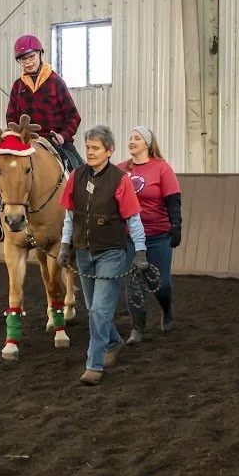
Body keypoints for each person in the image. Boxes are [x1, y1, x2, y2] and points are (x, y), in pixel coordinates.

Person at [57, 125, 148, 386]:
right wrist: (65, 246)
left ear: (110, 151)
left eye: (96, 148)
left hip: (111, 253)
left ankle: (94, 364)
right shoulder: (76, 177)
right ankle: (113, 342)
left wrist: (140, 251)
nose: (90, 152)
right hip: (84, 253)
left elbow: (134, 220)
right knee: (93, 308)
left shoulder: (121, 180)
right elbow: (69, 217)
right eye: (88, 148)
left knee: (98, 310)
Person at [0, 34, 84, 242]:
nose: (28, 62)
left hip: (56, 140)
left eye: (31, 57)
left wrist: (63, 135)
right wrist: (14, 136)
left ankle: (84, 221)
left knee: (81, 171)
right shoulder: (17, 86)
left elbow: (73, 116)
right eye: (23, 59)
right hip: (26, 142)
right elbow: (11, 116)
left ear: (40, 54)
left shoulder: (56, 82)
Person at [116, 126, 182, 344]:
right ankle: (138, 328)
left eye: (137, 138)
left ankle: (166, 309)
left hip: (158, 235)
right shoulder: (120, 169)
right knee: (134, 282)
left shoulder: (161, 168)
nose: (132, 141)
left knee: (160, 283)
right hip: (131, 238)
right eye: (130, 138)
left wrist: (176, 225)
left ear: (148, 143)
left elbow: (172, 199)